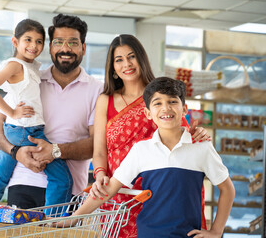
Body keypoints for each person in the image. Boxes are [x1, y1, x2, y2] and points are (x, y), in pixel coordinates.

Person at [59, 77, 235, 238]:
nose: (166, 108)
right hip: (148, 234)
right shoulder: (141, 149)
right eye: (157, 103)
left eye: (173, 101)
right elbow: (109, 189)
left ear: (184, 109)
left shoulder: (201, 147)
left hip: (186, 235)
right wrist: (73, 219)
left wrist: (216, 231)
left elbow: (227, 189)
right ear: (148, 113)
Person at [90, 34, 210, 237]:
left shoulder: (160, 96)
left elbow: (182, 136)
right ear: (113, 68)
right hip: (118, 194)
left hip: (158, 193)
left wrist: (198, 134)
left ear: (142, 59)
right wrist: (101, 175)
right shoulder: (105, 100)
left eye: (131, 56)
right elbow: (100, 150)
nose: (126, 64)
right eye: (119, 60)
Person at [0, 14, 103, 209]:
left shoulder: (97, 90)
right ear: (51, 47)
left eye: (73, 43)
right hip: (23, 182)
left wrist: (54, 151)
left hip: (69, 191)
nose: (65, 49)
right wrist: (15, 152)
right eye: (58, 42)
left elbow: (97, 145)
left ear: (83, 48)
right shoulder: (32, 79)